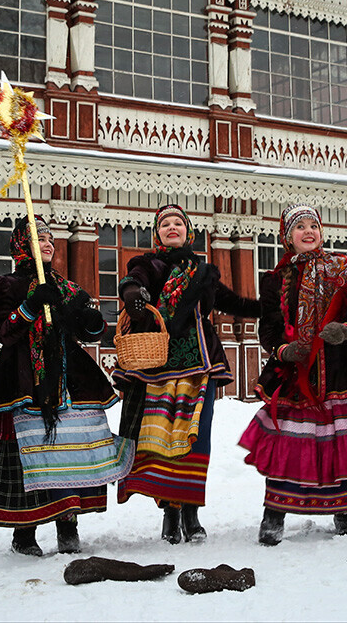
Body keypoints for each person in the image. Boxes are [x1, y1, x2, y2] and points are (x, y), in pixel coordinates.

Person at [0, 217, 132, 556]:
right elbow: (4, 331)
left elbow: (89, 332)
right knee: (27, 453)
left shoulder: (66, 287)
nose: (47, 244)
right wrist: (30, 306)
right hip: (23, 378)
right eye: (37, 239)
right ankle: (24, 531)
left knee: (70, 449)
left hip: (68, 377)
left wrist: (91, 322)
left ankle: (68, 524)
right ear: (20, 245)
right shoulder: (6, 284)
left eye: (49, 239)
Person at [115, 204, 261, 543]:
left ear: (188, 231)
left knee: (197, 437)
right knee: (163, 440)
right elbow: (132, 282)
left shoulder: (202, 270)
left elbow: (231, 302)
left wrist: (265, 309)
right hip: (160, 364)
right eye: (164, 223)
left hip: (200, 364)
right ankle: (170, 513)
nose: (171, 227)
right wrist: (134, 296)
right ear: (157, 233)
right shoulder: (148, 263)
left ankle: (192, 512)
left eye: (177, 222)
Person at [238, 204, 347, 545]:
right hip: (295, 372)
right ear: (288, 237)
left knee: (340, 438)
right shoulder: (276, 280)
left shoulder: (344, 267)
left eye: (312, 225)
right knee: (289, 440)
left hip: (340, 368)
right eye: (299, 227)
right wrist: (283, 350)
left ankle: (345, 509)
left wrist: (345, 330)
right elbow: (269, 326)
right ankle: (275, 513)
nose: (308, 232)